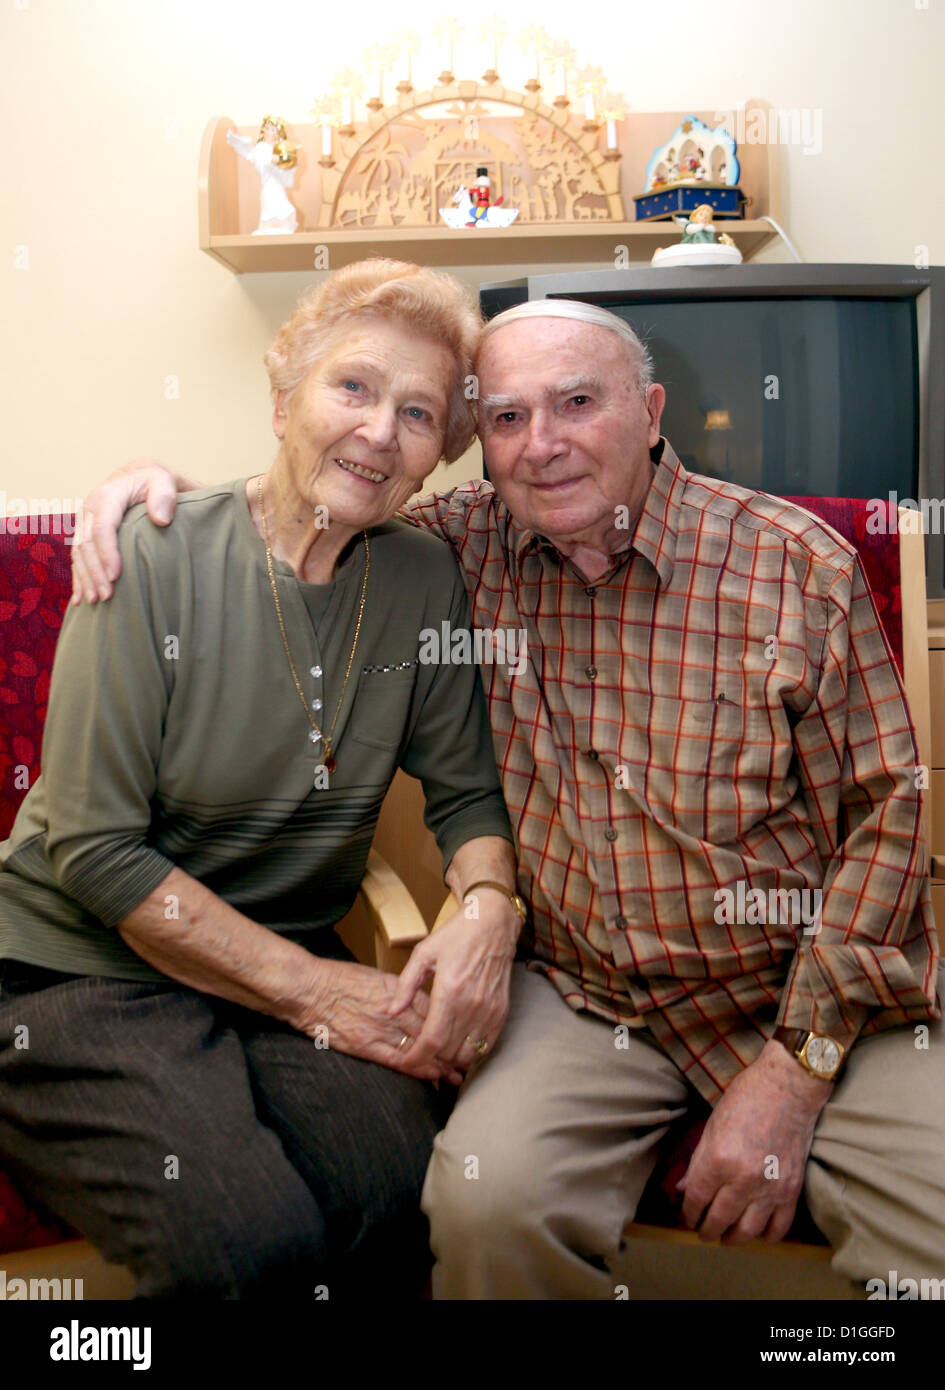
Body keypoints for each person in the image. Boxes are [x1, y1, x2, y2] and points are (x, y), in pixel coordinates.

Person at [71, 296, 945, 1301]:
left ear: (652, 410)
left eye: (578, 403)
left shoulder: (795, 566)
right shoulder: (455, 550)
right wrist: (161, 500)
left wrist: (796, 1071)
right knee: (485, 1207)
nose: (543, 446)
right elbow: (313, 498)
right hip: (582, 997)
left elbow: (885, 824)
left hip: (807, 991)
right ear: (479, 439)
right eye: (508, 417)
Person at [0, 258, 522, 1299]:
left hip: (278, 956)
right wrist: (326, 993)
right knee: (247, 1237)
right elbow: (97, 852)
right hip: (76, 972)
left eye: (418, 412)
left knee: (405, 1187)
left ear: (439, 454)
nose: (380, 431)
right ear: (285, 398)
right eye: (355, 388)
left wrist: (489, 901)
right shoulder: (152, 555)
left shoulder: (422, 579)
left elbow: (466, 795)